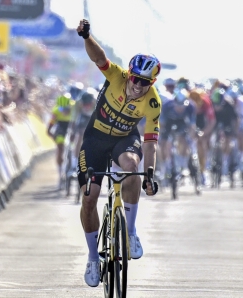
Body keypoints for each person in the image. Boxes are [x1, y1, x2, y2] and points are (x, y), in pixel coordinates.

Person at [76, 19, 160, 287]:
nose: (138, 86)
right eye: (136, 79)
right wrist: (87, 37)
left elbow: (149, 141)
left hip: (125, 140)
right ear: (129, 74)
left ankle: (131, 232)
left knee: (132, 166)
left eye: (145, 82)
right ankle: (92, 258)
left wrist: (149, 174)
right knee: (89, 198)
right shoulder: (116, 76)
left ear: (152, 82)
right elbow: (99, 57)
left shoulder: (152, 102)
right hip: (95, 140)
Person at [47, 93, 75, 188]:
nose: (64, 112)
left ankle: (74, 163)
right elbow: (51, 123)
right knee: (60, 147)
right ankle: (60, 175)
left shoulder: (74, 108)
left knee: (76, 142)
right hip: (61, 127)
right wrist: (49, 131)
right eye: (61, 109)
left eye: (66, 109)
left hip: (72, 125)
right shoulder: (56, 110)